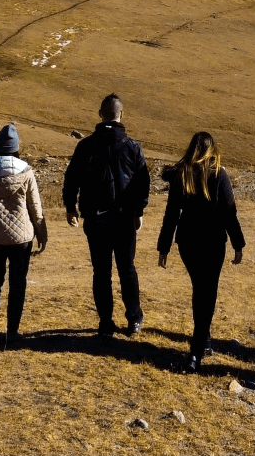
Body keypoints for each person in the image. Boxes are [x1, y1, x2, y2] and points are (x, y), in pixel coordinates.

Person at [156, 131, 246, 371]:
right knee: (208, 293)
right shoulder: (219, 175)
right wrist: (238, 244)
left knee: (200, 290)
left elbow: (172, 215)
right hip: (213, 242)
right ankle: (196, 352)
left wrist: (163, 247)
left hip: (187, 243)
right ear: (211, 149)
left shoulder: (182, 175)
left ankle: (203, 341)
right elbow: (229, 212)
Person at [63, 93, 151, 336]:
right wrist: (138, 211)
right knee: (127, 268)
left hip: (95, 219)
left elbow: (71, 179)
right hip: (124, 219)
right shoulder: (132, 147)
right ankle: (134, 318)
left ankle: (105, 322)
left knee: (101, 272)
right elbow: (142, 181)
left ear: (100, 115)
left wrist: (71, 207)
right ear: (122, 115)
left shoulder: (85, 146)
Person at [0, 122, 47, 345]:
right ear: (16, 148)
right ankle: (12, 330)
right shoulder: (26, 171)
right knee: (18, 282)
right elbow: (36, 207)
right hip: (22, 237)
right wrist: (42, 235)